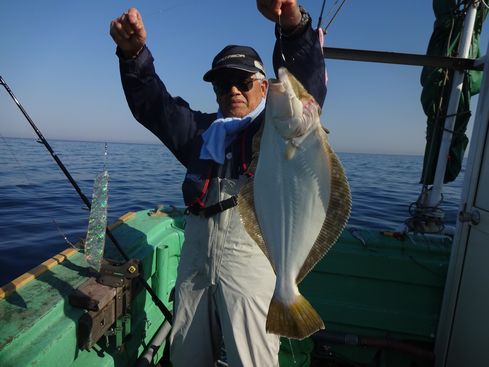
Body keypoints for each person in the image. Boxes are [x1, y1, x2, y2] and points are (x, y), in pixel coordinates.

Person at [110, 1, 326, 366]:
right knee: (187, 356)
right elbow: (155, 106)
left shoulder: (276, 129)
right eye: (223, 84)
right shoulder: (200, 133)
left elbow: (305, 84)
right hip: (195, 256)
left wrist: (292, 22)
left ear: (262, 85)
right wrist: (134, 57)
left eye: (243, 82)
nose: (233, 91)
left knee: (251, 358)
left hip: (252, 258)